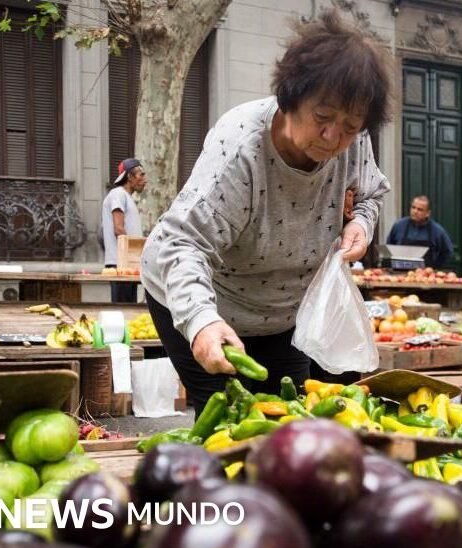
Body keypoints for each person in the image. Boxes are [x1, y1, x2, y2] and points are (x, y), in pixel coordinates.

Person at [140, 11, 392, 415]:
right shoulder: (240, 150)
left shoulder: (354, 143)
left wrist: (361, 223)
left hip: (282, 313)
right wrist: (202, 322)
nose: (332, 138)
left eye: (349, 126)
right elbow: (184, 244)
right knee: (227, 419)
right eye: (322, 117)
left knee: (292, 415)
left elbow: (371, 193)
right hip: (204, 299)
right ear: (290, 97)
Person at [102, 158, 145, 303]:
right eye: (141, 175)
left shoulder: (127, 197)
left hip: (128, 265)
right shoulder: (118, 194)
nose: (145, 180)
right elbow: (118, 229)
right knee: (122, 311)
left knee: (128, 310)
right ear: (129, 176)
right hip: (120, 265)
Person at [386, 195, 454, 269]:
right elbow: (389, 247)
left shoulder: (437, 231)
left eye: (420, 209)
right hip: (399, 274)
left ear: (428, 213)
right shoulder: (399, 226)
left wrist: (435, 267)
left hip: (426, 277)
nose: (415, 211)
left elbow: (447, 252)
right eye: (413, 207)